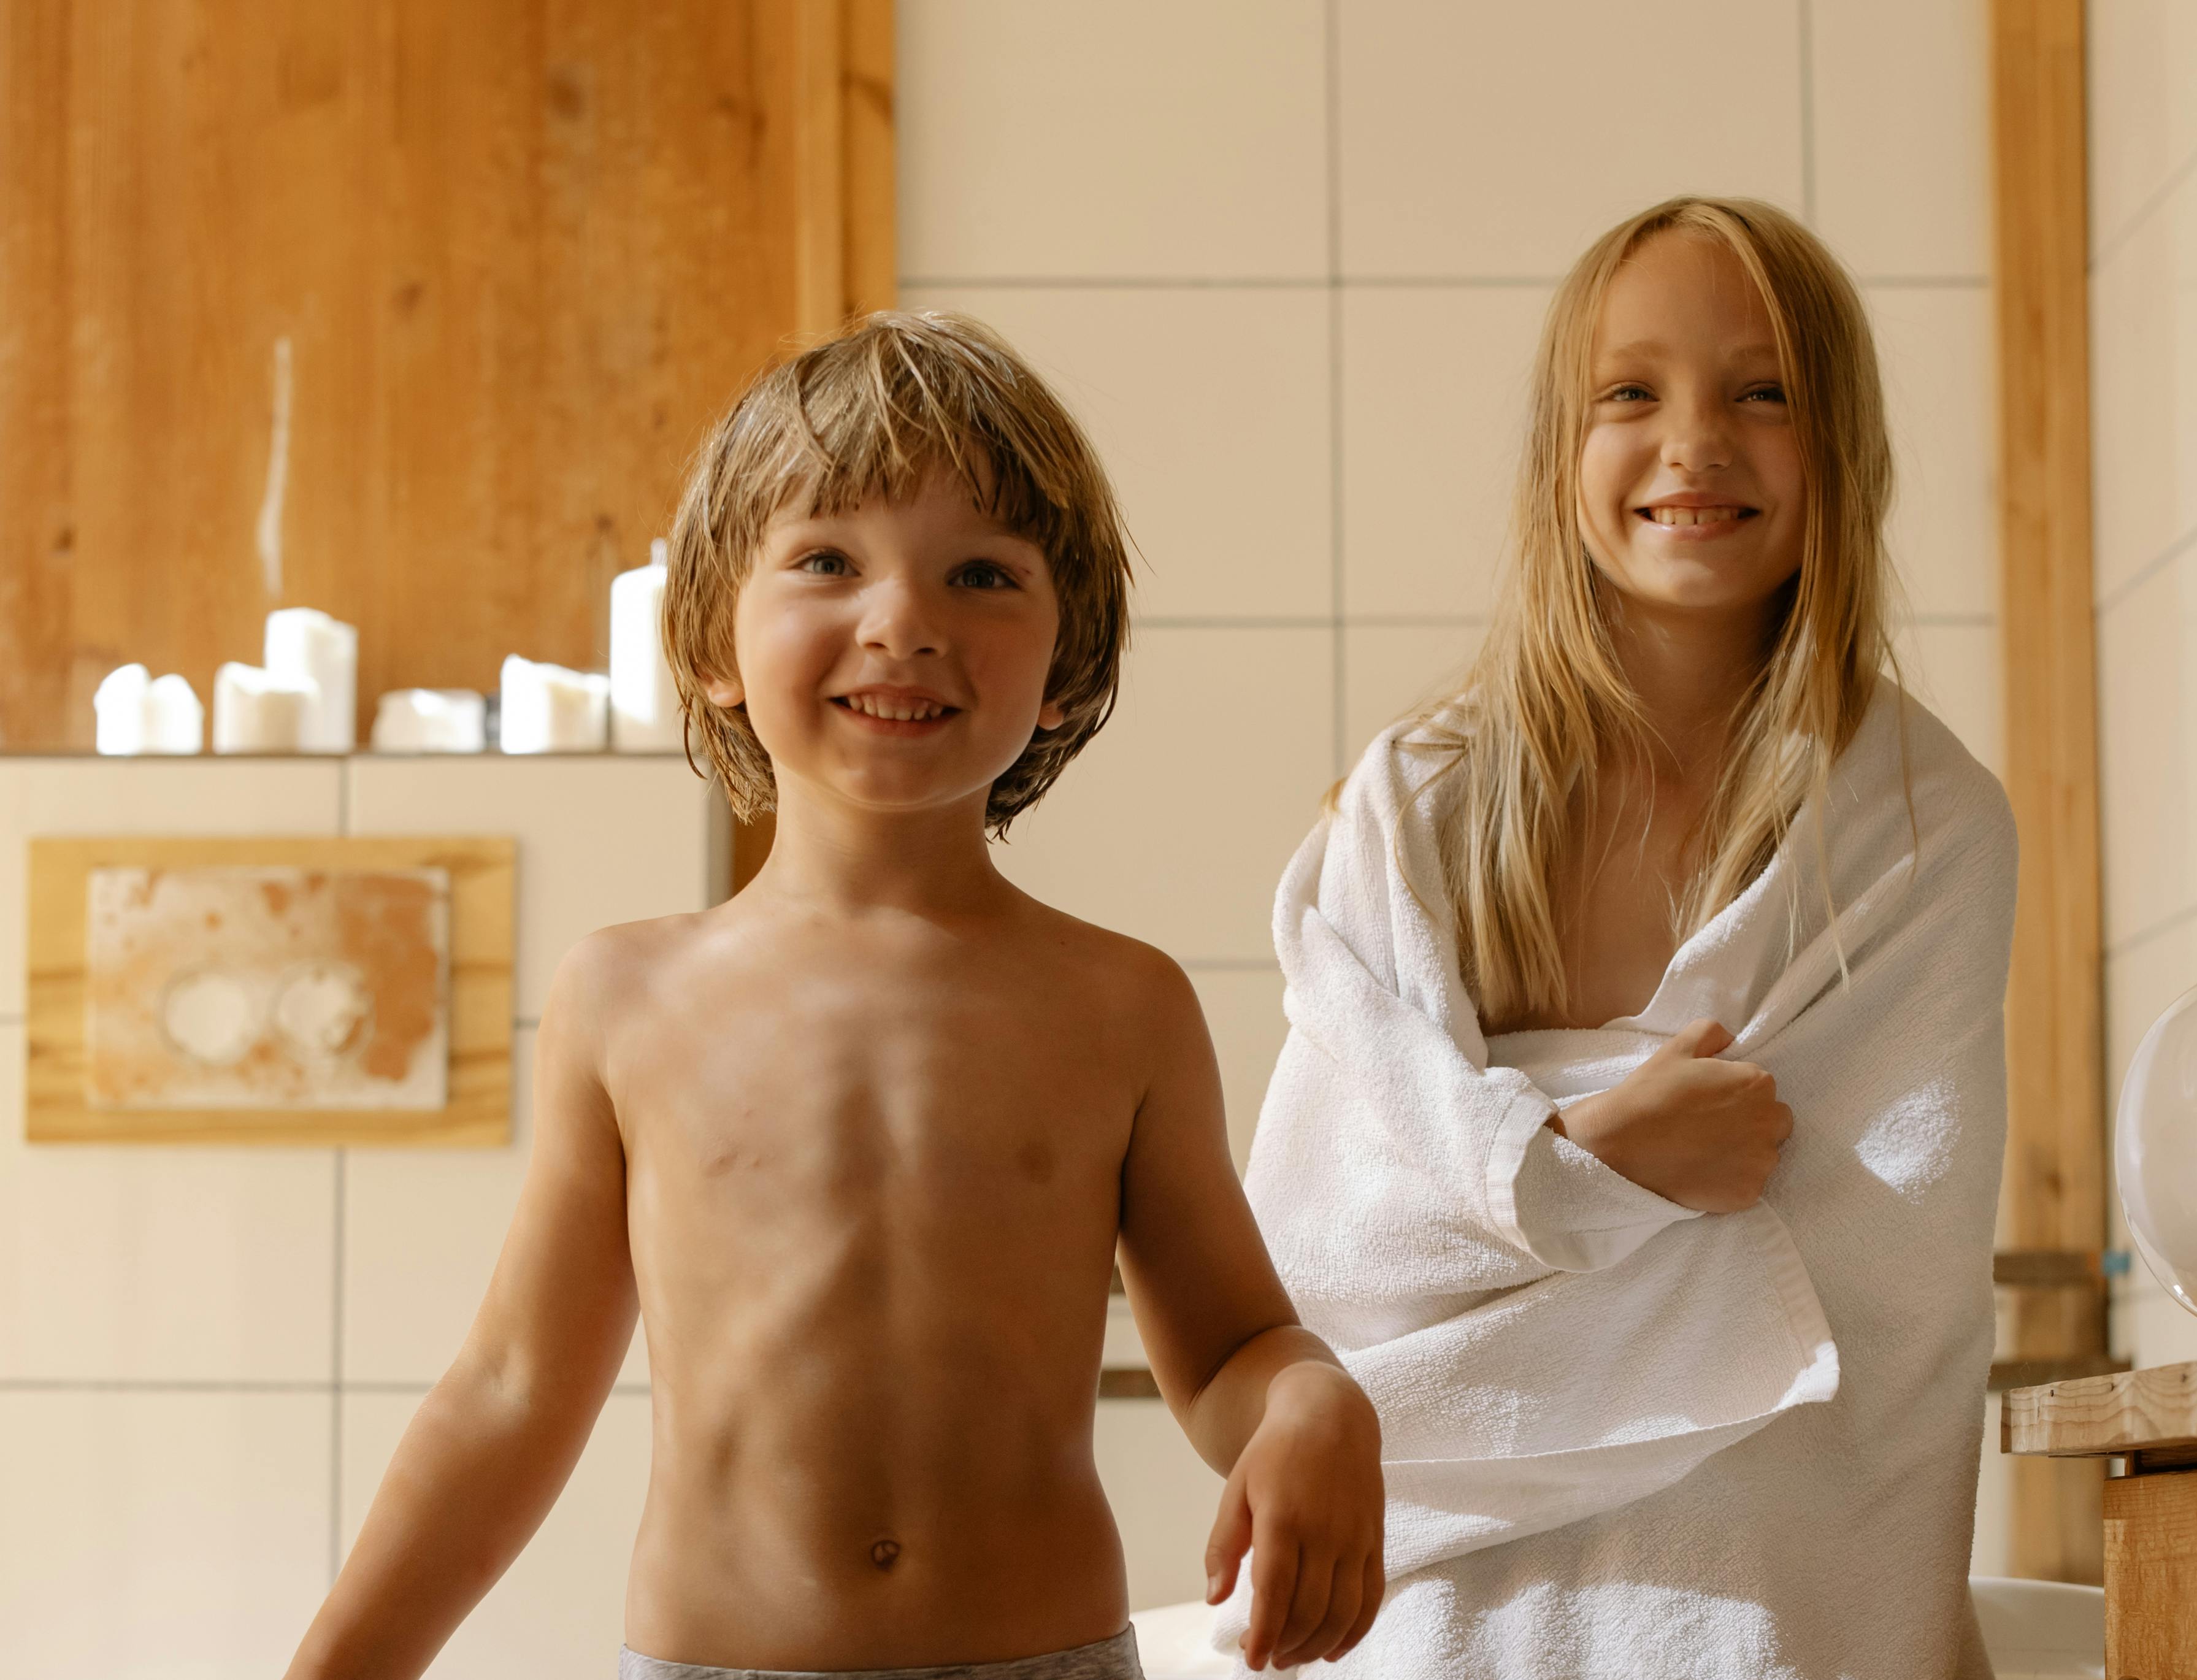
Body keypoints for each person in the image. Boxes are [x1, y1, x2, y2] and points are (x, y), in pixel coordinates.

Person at [282, 313, 1384, 1680]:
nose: (903, 621)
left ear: (1067, 666)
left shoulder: (1118, 1006)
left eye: (981, 572)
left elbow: (1228, 1355)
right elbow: (510, 1393)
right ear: (711, 644)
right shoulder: (628, 998)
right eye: (824, 560)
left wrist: (1314, 1397)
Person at [1221, 198, 2018, 1676]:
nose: (1693, 443)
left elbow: (1887, 1290)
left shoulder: (1923, 829)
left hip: (1768, 1601)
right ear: (1557, 455)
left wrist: (1516, 1176)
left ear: (1839, 444)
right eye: (1630, 392)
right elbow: (1314, 1248)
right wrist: (1579, 1164)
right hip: (1436, 1608)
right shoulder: (1422, 809)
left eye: (1761, 391)